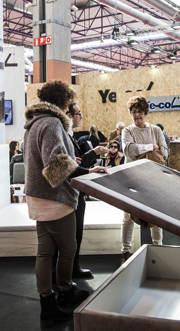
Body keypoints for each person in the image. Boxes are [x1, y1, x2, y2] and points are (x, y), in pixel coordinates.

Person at [23, 80, 106, 327]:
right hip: (54, 198)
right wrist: (88, 171)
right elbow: (56, 164)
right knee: (68, 248)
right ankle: (66, 290)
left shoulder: (33, 123)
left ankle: (48, 304)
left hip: (37, 197)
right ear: (62, 101)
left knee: (44, 252)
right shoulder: (52, 123)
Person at [121, 96, 168, 264]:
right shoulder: (127, 131)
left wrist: (142, 153)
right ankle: (125, 251)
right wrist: (150, 148)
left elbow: (164, 152)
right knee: (128, 216)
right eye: (133, 112)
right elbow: (128, 150)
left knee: (156, 214)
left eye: (139, 112)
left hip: (153, 178)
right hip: (132, 178)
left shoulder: (155, 130)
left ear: (145, 112)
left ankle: (158, 247)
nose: (136, 115)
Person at [65, 103, 109, 279]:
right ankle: (67, 274)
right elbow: (71, 168)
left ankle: (73, 268)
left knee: (76, 235)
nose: (81, 117)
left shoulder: (70, 137)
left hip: (77, 193)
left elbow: (76, 164)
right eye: (78, 113)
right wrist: (92, 155)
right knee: (71, 237)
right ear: (69, 115)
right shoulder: (63, 136)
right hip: (69, 193)